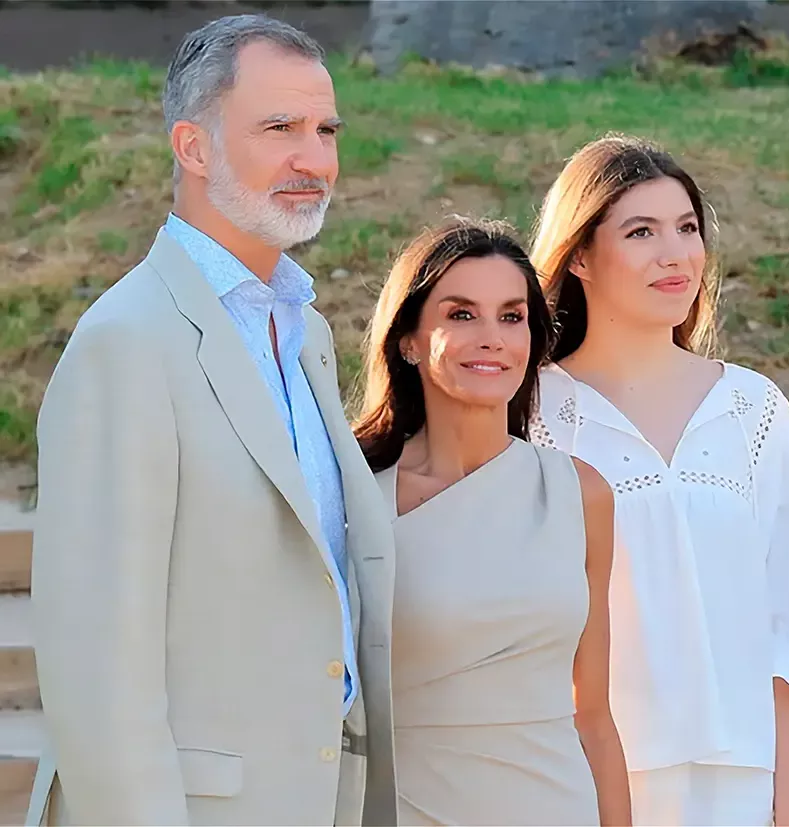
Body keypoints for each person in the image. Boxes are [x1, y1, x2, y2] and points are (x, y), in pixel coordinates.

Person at [26, 15, 393, 826]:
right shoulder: (126, 344)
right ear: (193, 148)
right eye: (279, 129)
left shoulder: (309, 334)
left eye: (325, 130)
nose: (315, 160)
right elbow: (98, 674)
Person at [530, 134, 789, 826]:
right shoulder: (535, 414)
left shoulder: (753, 410)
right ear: (579, 253)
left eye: (688, 228)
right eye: (641, 231)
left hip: (740, 784)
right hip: (580, 783)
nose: (676, 254)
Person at [351, 218, 631, 826]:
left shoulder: (581, 494)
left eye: (511, 316)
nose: (492, 338)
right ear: (409, 341)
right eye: (461, 315)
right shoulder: (355, 501)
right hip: (407, 805)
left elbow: (595, 718)